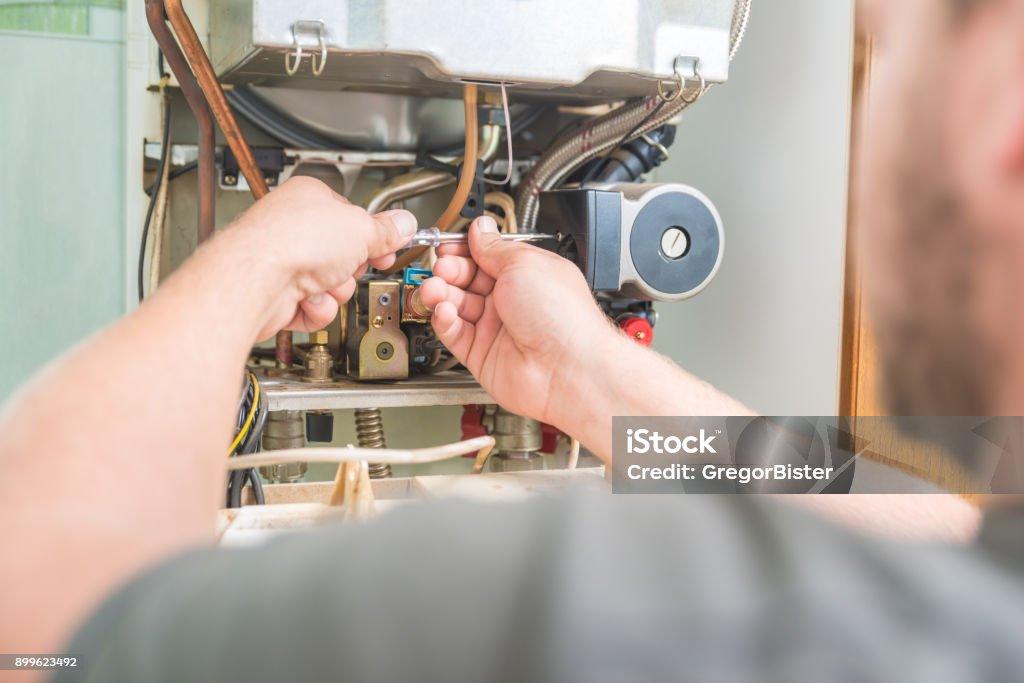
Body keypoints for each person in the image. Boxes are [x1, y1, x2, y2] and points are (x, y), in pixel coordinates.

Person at [0, 0, 1021, 679]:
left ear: (1001, 124)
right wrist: (584, 375)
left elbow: (40, 626)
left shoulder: (574, 606)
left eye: (886, 52)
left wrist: (242, 272)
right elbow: (927, 530)